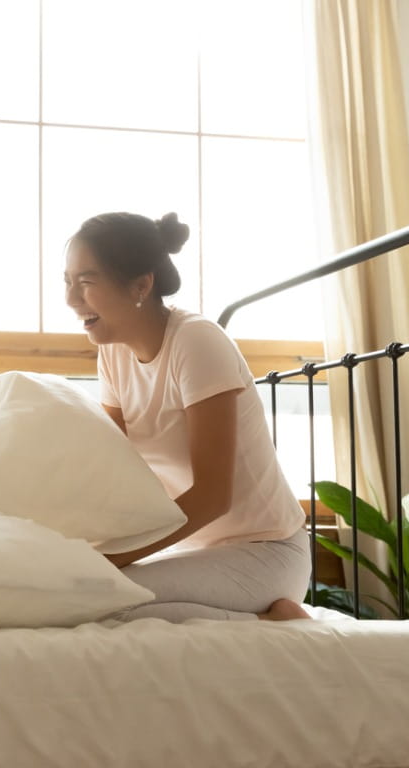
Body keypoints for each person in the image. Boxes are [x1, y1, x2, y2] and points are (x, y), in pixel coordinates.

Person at [63, 211, 312, 622]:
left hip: (266, 552)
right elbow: (105, 460)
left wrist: (115, 558)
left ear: (141, 285)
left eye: (86, 282)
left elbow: (214, 495)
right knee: (78, 594)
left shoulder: (197, 342)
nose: (71, 299)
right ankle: (263, 620)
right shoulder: (113, 351)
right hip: (195, 551)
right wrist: (11, 454)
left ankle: (274, 622)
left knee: (105, 605)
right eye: (68, 282)